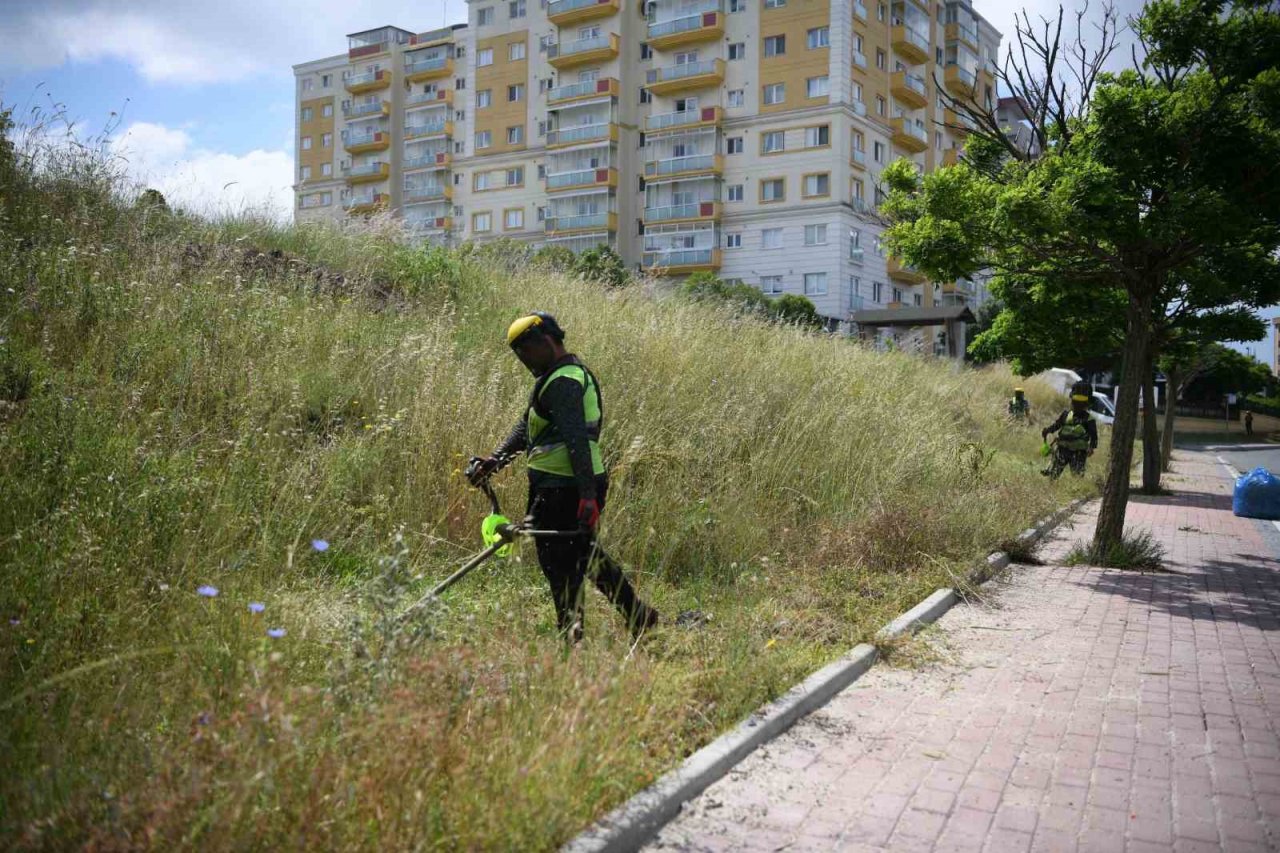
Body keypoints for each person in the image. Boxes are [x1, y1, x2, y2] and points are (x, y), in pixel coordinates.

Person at [469, 312, 660, 643]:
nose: (523, 360)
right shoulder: (557, 378)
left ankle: (570, 636)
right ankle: (638, 616)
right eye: (518, 355)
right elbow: (528, 427)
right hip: (568, 485)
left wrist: (587, 495)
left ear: (546, 342)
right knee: (583, 554)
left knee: (559, 563)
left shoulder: (563, 381)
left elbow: (575, 439)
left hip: (565, 487)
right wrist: (495, 461)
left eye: (525, 352)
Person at [1041, 392, 1098, 478]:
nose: (1075, 406)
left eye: (1079, 404)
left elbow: (1094, 436)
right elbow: (1057, 425)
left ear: (1084, 405)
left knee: (1077, 477)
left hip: (1079, 452)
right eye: (1075, 403)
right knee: (1054, 474)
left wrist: (1091, 447)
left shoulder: (1089, 419)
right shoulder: (1066, 414)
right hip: (1063, 449)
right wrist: (1047, 430)